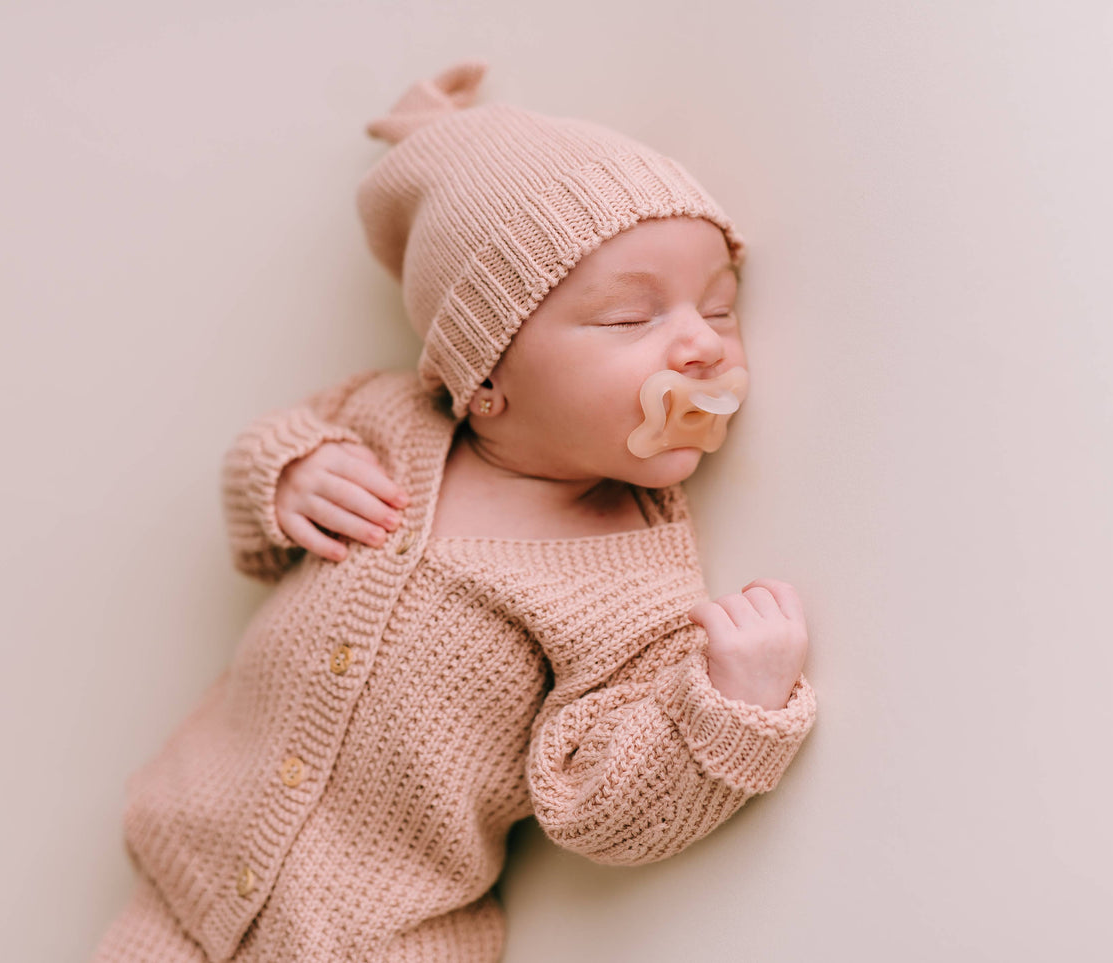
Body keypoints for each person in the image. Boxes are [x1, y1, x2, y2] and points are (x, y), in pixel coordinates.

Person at [91, 57, 817, 962]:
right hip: (178, 889)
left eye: (719, 309)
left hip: (378, 939)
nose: (699, 345)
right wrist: (287, 474)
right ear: (483, 377)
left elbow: (600, 808)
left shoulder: (629, 569)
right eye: (631, 318)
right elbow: (266, 451)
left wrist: (724, 710)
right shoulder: (386, 420)